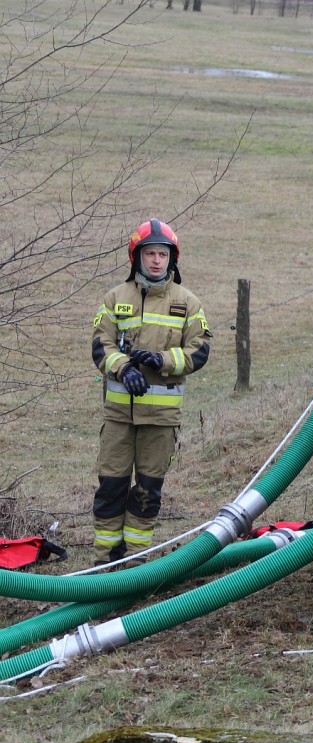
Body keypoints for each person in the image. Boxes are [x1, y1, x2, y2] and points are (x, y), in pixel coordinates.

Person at [90, 219, 213, 566]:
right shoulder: (115, 298)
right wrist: (123, 368)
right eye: (150, 253)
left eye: (163, 254)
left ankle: (136, 564)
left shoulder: (188, 303)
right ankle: (106, 563)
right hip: (118, 418)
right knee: (110, 489)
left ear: (173, 259)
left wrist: (162, 360)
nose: (157, 260)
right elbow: (101, 346)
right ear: (136, 257)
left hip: (160, 421)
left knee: (147, 493)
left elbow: (199, 351)